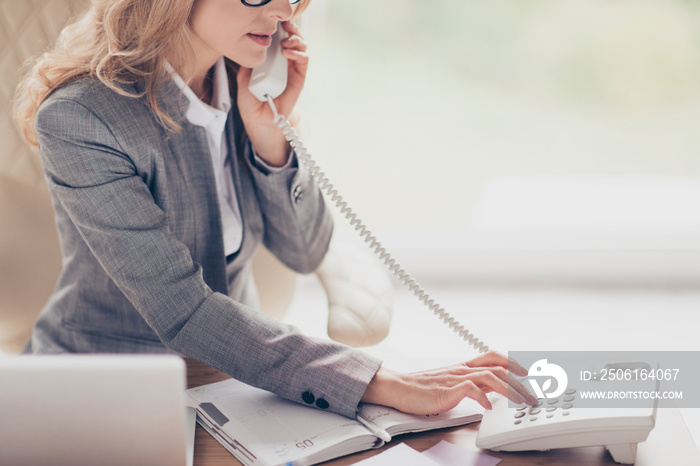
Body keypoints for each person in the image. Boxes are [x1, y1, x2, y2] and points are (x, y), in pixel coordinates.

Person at [14, 0, 537, 419]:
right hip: (100, 393)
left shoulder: (241, 82)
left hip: (239, 385)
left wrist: (272, 142)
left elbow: (305, 250)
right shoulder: (81, 118)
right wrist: (378, 380)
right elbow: (184, 310)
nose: (285, 11)